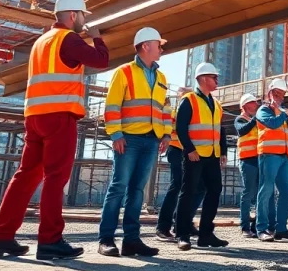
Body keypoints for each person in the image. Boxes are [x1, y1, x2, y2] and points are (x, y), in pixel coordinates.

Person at [0, 0, 108, 261]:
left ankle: (1, 237)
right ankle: (50, 241)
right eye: (83, 17)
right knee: (56, 178)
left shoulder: (41, 41)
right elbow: (101, 60)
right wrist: (98, 37)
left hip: (34, 116)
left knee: (26, 175)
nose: (83, 22)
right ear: (73, 15)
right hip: (59, 116)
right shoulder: (68, 38)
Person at [97, 27, 170, 258]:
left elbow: (165, 108)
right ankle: (106, 239)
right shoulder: (124, 72)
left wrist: (167, 134)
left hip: (151, 139)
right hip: (128, 139)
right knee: (118, 187)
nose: (161, 49)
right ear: (146, 46)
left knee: (137, 190)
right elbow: (112, 105)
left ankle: (131, 241)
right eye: (159, 45)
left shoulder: (161, 77)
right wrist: (116, 134)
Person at [174, 62, 230, 251]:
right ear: (204, 78)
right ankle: (182, 234)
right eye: (215, 78)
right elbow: (180, 127)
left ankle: (206, 234)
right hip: (194, 155)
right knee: (188, 192)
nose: (217, 81)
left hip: (212, 155)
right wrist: (189, 149)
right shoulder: (189, 99)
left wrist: (223, 151)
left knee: (214, 191)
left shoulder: (216, 104)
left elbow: (220, 130)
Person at [255, 78, 288, 242]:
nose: (280, 97)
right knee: (266, 191)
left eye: (282, 95)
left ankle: (280, 228)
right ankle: (261, 228)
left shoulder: (283, 113)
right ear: (270, 93)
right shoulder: (263, 110)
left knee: (287, 191)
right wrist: (284, 115)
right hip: (268, 155)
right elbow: (272, 124)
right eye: (277, 93)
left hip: (284, 156)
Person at [154, 87, 205, 241]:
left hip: (191, 151)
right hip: (176, 149)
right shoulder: (173, 111)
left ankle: (183, 222)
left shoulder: (196, 111)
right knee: (177, 183)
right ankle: (163, 226)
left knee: (200, 186)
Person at [235, 92, 274, 238]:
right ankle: (244, 227)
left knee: (259, 194)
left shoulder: (256, 122)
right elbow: (241, 130)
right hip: (247, 161)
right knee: (248, 193)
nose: (256, 105)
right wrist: (256, 119)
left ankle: (256, 226)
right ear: (245, 105)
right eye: (253, 103)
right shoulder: (240, 119)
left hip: (259, 160)